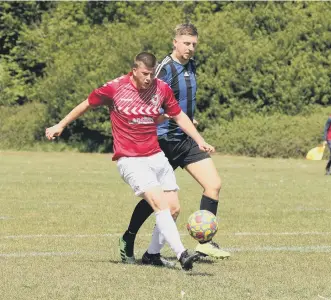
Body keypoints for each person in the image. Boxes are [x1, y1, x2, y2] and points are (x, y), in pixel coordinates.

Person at [45, 52, 216, 271]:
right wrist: (60, 125)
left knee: (173, 208)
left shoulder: (161, 88)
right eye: (145, 73)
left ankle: (152, 255)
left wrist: (199, 140)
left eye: (152, 74)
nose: (148, 78)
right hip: (130, 159)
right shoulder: (115, 88)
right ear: (134, 70)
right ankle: (182, 254)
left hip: (156, 156)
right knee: (158, 203)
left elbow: (179, 116)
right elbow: (86, 103)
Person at [119, 24, 230, 267]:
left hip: (185, 140)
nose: (190, 48)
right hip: (162, 141)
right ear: (175, 42)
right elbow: (146, 97)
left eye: (194, 44)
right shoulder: (164, 68)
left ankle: (204, 241)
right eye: (186, 43)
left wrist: (189, 120)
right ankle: (129, 237)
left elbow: (180, 102)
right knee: (156, 201)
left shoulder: (191, 65)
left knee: (213, 185)